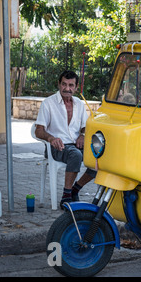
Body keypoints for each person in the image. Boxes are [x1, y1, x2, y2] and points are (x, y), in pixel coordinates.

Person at [35, 70, 96, 209]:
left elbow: (85, 127)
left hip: (75, 144)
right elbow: (38, 130)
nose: (67, 88)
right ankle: (66, 196)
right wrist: (51, 138)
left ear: (75, 87)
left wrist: (82, 135)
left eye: (71, 85)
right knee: (76, 155)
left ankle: (76, 189)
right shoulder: (48, 103)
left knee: (100, 155)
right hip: (56, 147)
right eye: (64, 84)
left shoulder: (79, 104)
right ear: (59, 84)